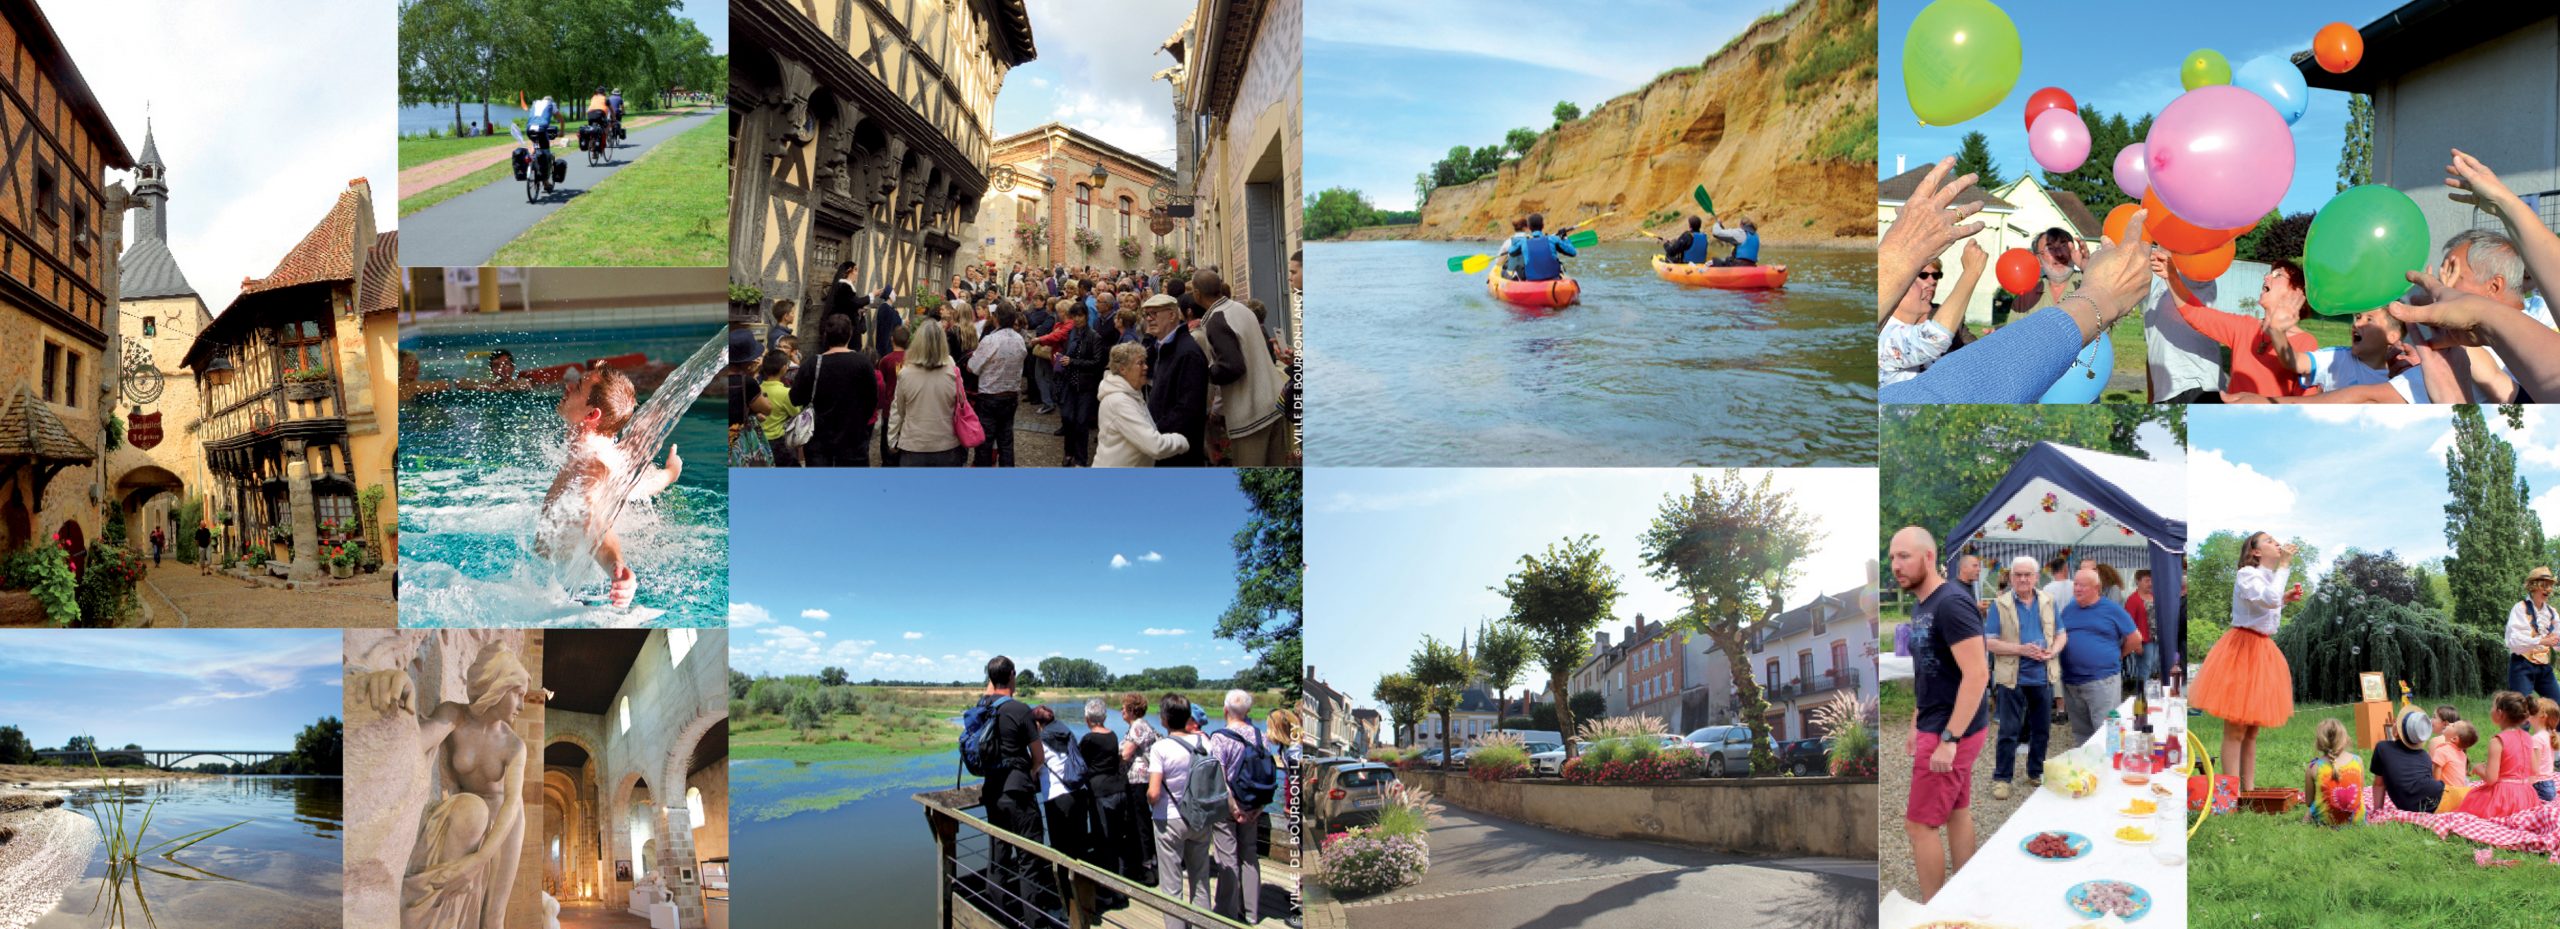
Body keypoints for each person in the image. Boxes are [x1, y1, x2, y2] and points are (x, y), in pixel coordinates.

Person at [1888, 526, 1985, 904]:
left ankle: (1935, 910)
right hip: (1938, 722)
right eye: (1893, 558)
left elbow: (1977, 674)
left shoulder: (1951, 603)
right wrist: (1915, 721)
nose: (1896, 565)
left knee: (1919, 826)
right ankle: (1964, 893)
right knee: (1958, 811)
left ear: (1929, 557)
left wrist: (1949, 740)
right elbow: (1932, 670)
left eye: (1905, 556)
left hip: (1951, 730)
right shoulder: (1922, 603)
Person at [539, 367, 680, 609]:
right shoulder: (607, 452)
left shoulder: (590, 464)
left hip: (558, 589)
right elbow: (641, 484)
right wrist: (670, 473)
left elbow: (592, 518)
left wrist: (616, 566)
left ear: (592, 414)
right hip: (566, 577)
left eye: (578, 387)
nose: (568, 386)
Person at [2192, 531, 2302, 790]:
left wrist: (2282, 601)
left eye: (2277, 540)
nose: (2277, 543)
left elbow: (2266, 609)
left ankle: (2248, 790)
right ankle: (2231, 794)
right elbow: (2268, 598)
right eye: (2270, 541)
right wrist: (2284, 566)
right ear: (2255, 552)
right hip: (2241, 650)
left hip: (2262, 649)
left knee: (2252, 731)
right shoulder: (2247, 574)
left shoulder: (2266, 577)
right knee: (2236, 729)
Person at [1984, 556, 2061, 801]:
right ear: (2011, 578)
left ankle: (2036, 772)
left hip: (2042, 674)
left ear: (2037, 577)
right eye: (2018, 575)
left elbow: (2061, 634)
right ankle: (2002, 778)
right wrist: (2021, 649)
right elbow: (1989, 642)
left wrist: (2054, 651)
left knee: (2042, 729)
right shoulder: (1999, 604)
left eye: (2028, 574)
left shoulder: (2049, 601)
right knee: (2009, 730)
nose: (2023, 579)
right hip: (2012, 677)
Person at [1192, 271, 1287, 467]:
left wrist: (1206, 370)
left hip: (1251, 415)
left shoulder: (1217, 320)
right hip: (1273, 403)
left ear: (1197, 293)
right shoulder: (1241, 309)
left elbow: (1232, 367)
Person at [976, 657, 1044, 925]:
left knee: (998, 854)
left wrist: (991, 682)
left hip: (992, 791)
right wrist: (1030, 773)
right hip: (1018, 792)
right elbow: (1038, 757)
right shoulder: (1020, 710)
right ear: (1013, 675)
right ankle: (1034, 922)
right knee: (1029, 857)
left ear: (991, 680)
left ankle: (996, 917)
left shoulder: (983, 708)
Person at [1878, 244, 1989, 387]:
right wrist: (1972, 272)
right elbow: (1935, 339)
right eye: (1918, 278)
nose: (1929, 284)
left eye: (1936, 276)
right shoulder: (1885, 337)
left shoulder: (1935, 314)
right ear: (1895, 292)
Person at [1147, 694, 1215, 927]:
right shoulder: (1205, 743)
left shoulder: (1160, 748)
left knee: (1171, 885)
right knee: (1201, 880)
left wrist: (1148, 798)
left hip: (1170, 820)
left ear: (1164, 719)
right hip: (1201, 818)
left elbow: (1154, 793)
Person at [2056, 568, 2139, 746]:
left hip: (2102, 680)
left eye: (2082, 586)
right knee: (2081, 733)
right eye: (2075, 584)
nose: (2077, 589)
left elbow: (2135, 639)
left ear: (2096, 588)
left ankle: (2109, 769)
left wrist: (2118, 655)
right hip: (2072, 681)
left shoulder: (2112, 609)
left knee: (2107, 732)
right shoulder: (2069, 609)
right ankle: (2088, 768)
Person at [1208, 690, 1267, 922]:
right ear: (1248, 712)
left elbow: (1219, 777)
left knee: (1227, 858)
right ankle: (1252, 913)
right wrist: (1258, 808)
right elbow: (1265, 774)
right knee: (1250, 855)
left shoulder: (1220, 737)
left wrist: (1233, 807)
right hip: (1252, 806)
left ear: (1225, 710)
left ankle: (1226, 913)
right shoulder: (1260, 736)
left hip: (1227, 807)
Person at [789, 314, 878, 467]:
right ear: (850, 334)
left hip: (820, 444)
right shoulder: (863, 363)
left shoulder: (812, 364)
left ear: (826, 335)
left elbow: (795, 398)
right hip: (853, 440)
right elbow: (872, 400)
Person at [1139, 294, 1209, 467]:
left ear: (1171, 315)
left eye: (1154, 313)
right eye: (1146, 314)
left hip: (1179, 451)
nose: (1149, 319)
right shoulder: (1164, 346)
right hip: (1165, 445)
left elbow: (1187, 409)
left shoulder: (1187, 352)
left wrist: (1155, 433)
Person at [1073, 699, 1129, 911]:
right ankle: (1121, 892)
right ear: (1104, 717)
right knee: (1117, 841)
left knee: (1103, 842)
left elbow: (1078, 763)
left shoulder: (1089, 739)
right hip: (1119, 791)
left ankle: (1106, 895)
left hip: (1100, 793)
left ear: (1088, 719)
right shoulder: (1113, 735)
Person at [887, 316, 966, 466]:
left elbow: (898, 409)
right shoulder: (952, 371)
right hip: (947, 442)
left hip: (913, 443)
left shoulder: (906, 373)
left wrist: (892, 439)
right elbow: (960, 402)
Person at [1096, 342, 1191, 467]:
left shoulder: (1133, 395)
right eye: (1140, 363)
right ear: (1123, 369)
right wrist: (1181, 441)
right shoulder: (1118, 401)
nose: (1146, 367)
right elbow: (1155, 446)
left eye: (1145, 362)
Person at [1033, 703, 1088, 906]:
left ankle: (1068, 902)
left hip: (1058, 798)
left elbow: (1035, 767)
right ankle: (1084, 897)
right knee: (1079, 848)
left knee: (1061, 851)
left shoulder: (1041, 740)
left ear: (1038, 724)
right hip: (1079, 793)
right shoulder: (1066, 732)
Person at [2456, 691, 2539, 819]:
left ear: (2500, 713)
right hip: (2526, 797)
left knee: (2472, 799)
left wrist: (2479, 769)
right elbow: (2534, 769)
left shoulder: (2498, 741)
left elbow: (2491, 779)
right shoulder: (2528, 737)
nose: (2491, 710)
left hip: (2504, 798)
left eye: (2493, 707)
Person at [968, 304, 1028, 467]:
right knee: (1006, 440)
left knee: (985, 442)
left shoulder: (991, 340)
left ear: (996, 319)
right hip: (1010, 395)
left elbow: (972, 367)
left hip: (990, 396)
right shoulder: (1019, 339)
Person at [1060, 301, 1112, 466]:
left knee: (1081, 422)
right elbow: (1066, 353)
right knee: (1067, 418)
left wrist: (1073, 362)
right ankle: (1069, 452)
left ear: (1086, 316)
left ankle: (1081, 459)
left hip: (1086, 386)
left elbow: (1097, 362)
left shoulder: (1094, 336)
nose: (1077, 319)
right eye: (1074, 316)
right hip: (1070, 384)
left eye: (1080, 316)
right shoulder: (1071, 334)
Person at [2369, 709, 2448, 814]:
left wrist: (2377, 811)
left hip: (2414, 804)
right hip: (2439, 798)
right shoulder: (2424, 756)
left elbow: (2379, 784)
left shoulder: (2382, 748)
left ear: (2397, 730)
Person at [1118, 693, 1160, 886]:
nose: (1121, 711)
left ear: (1132, 710)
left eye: (1123, 708)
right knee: (1141, 821)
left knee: (1140, 822)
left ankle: (1147, 868)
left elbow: (1126, 754)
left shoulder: (1137, 726)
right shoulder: (1143, 725)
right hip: (1143, 780)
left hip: (1138, 780)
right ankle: (1149, 862)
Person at [2505, 566, 2560, 703]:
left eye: (2550, 586)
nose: (2548, 589)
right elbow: (2513, 641)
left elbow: (2557, 639)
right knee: (2520, 711)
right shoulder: (2520, 608)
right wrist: (2541, 641)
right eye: (2544, 585)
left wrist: (2554, 642)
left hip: (2544, 666)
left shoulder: (2552, 612)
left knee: (2557, 707)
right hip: (2522, 664)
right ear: (2533, 586)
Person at [2300, 718, 2365, 827]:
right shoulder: (2357, 761)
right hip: (2356, 820)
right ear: (2346, 739)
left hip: (2324, 822)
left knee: (2312, 810)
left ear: (2319, 743)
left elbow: (2309, 802)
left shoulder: (2313, 767)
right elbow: (2360, 791)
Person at [754, 350, 801, 467]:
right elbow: (796, 412)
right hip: (778, 441)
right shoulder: (785, 393)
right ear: (784, 368)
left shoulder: (757, 389)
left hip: (758, 440)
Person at [1499, 213, 1578, 283]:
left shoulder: (1523, 242)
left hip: (1532, 278)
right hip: (1553, 277)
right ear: (1543, 226)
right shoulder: (1553, 239)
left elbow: (1511, 251)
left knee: (1515, 266)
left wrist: (1518, 243)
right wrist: (1564, 238)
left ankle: (1515, 278)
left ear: (1529, 227)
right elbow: (1573, 252)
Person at [2125, 570, 2157, 686]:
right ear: (2138, 581)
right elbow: (2129, 623)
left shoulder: (2154, 596)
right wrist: (2136, 643)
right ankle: (2141, 695)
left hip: (2155, 638)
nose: (2150, 583)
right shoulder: (2133, 599)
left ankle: (2148, 693)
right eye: (2147, 580)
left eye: (2152, 580)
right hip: (2143, 640)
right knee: (2144, 668)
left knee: (2153, 666)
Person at [2532, 698, 2559, 803]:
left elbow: (2534, 769)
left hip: (2539, 786)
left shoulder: (2536, 739)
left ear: (2542, 716)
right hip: (2549, 785)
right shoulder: (2548, 736)